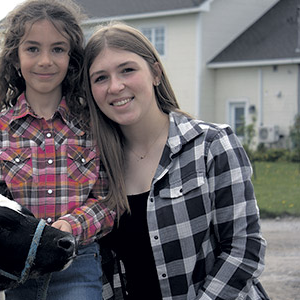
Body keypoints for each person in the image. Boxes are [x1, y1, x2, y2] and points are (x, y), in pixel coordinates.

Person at [83, 22, 269, 300]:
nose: (115, 86)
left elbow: (244, 250)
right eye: (100, 78)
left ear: (155, 73)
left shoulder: (211, 144)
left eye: (127, 70)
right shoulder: (95, 168)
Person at [0, 1, 122, 299]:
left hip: (79, 264)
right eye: (32, 49)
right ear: (15, 58)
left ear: (72, 59)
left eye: (57, 49)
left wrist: (70, 226)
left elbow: (109, 203)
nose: (45, 60)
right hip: (21, 268)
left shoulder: (93, 127)